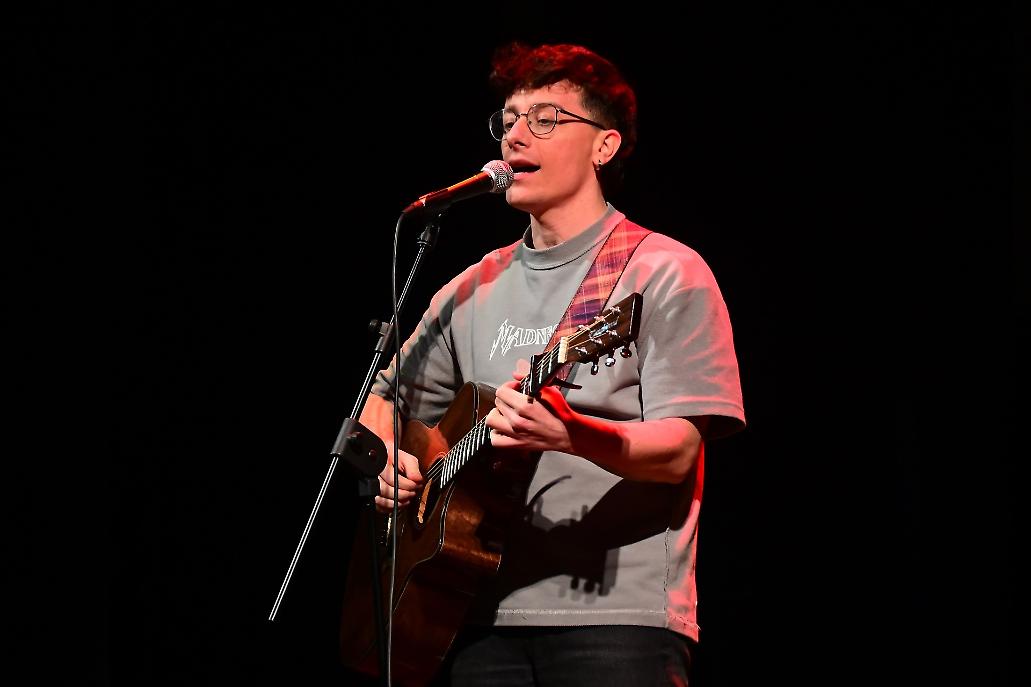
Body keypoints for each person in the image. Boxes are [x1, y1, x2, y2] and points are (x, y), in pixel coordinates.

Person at [358, 40, 746, 686]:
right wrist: (388, 461)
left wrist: (571, 434)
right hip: (471, 611)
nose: (515, 136)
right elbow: (380, 402)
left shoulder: (663, 271)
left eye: (545, 119)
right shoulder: (471, 287)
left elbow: (679, 450)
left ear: (604, 146)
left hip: (616, 619)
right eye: (508, 120)